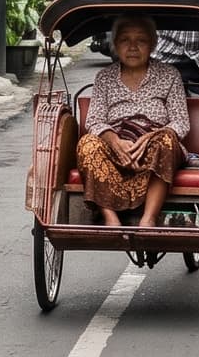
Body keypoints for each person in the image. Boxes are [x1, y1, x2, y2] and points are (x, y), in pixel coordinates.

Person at [74, 14, 192, 228]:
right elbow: (94, 120)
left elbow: (181, 122)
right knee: (87, 144)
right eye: (125, 40)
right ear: (115, 45)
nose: (133, 47)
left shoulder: (169, 74)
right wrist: (113, 140)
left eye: (141, 40)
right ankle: (111, 218)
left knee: (165, 140)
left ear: (153, 45)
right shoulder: (104, 77)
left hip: (154, 146)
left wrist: (151, 136)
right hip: (116, 146)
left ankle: (149, 218)